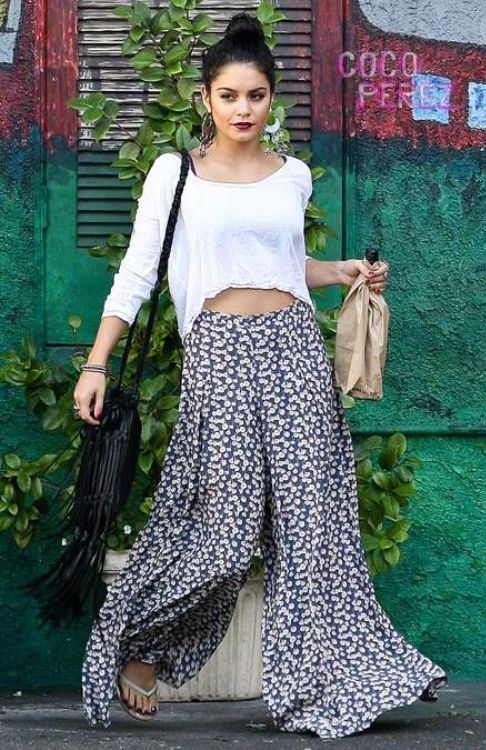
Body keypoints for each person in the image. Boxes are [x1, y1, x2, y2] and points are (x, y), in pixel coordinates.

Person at [74, 12, 447, 740]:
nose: (243, 109)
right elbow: (138, 275)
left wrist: (340, 272)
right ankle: (138, 648)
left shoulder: (293, 176)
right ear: (205, 99)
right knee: (226, 529)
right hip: (220, 353)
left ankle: (323, 683)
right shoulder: (175, 174)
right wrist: (96, 363)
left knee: (312, 525)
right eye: (229, 96)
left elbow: (282, 265)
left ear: (272, 98)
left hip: (294, 350)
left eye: (255, 95)